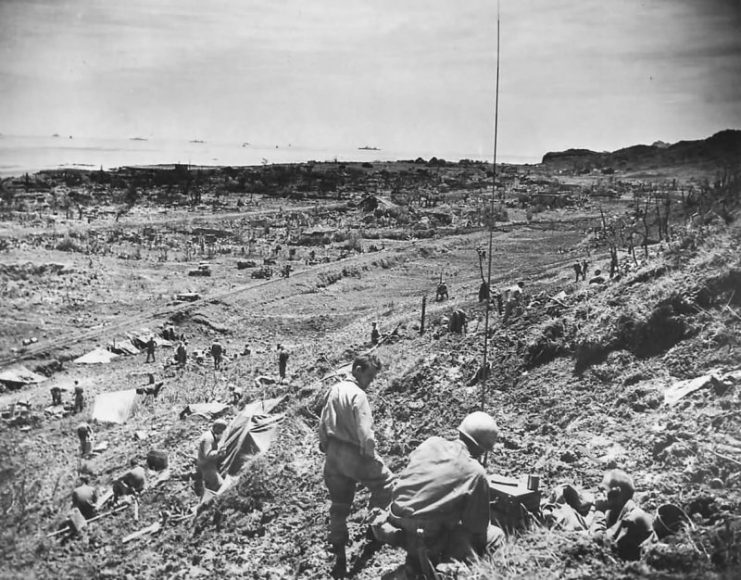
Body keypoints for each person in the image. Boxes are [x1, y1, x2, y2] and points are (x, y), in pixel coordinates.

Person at [379, 412, 504, 577]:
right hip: (426, 530)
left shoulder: (431, 443)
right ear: (482, 449)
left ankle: (413, 566)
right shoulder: (475, 472)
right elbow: (477, 527)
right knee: (495, 536)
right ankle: (449, 569)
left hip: (395, 518)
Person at [318, 354, 394, 574]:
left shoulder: (334, 390)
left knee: (340, 504)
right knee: (386, 482)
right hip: (354, 452)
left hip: (332, 454)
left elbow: (322, 425)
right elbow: (366, 434)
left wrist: (328, 449)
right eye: (370, 375)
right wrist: (370, 455)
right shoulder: (358, 395)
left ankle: (338, 544)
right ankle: (374, 529)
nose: (371, 381)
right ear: (358, 370)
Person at [591, 469, 653, 560]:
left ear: (616, 492)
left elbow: (598, 543)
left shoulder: (634, 518)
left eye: (603, 490)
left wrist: (599, 512)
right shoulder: (616, 513)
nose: (599, 494)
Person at [197, 419, 228, 494]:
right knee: (221, 485)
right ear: (216, 428)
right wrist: (218, 452)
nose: (222, 432)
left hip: (210, 463)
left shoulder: (211, 435)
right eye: (221, 429)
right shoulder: (208, 438)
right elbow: (207, 455)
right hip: (206, 466)